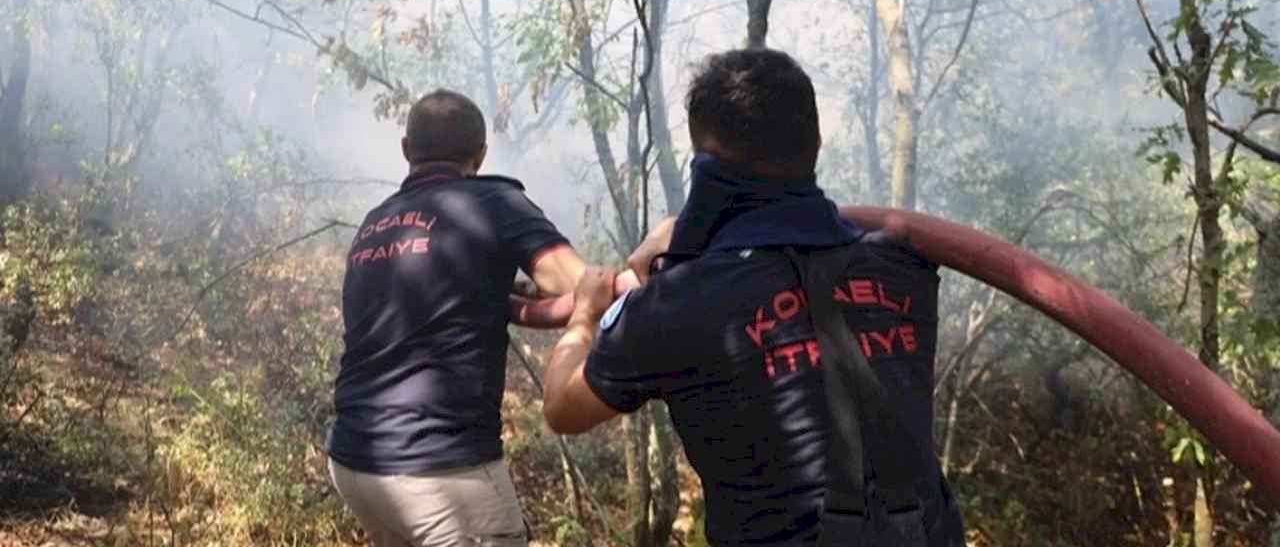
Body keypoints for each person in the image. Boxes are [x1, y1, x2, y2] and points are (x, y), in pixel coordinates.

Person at [541, 49, 965, 545]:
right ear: (817, 143)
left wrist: (588, 313)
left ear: (703, 167)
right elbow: (805, 259)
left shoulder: (676, 304)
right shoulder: (905, 271)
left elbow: (561, 407)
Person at [327, 89, 584, 547]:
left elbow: (435, 306)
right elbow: (577, 283)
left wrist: (506, 298)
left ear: (406, 150)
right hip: (443, 471)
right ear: (480, 156)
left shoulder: (374, 223)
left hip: (355, 461)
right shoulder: (495, 203)